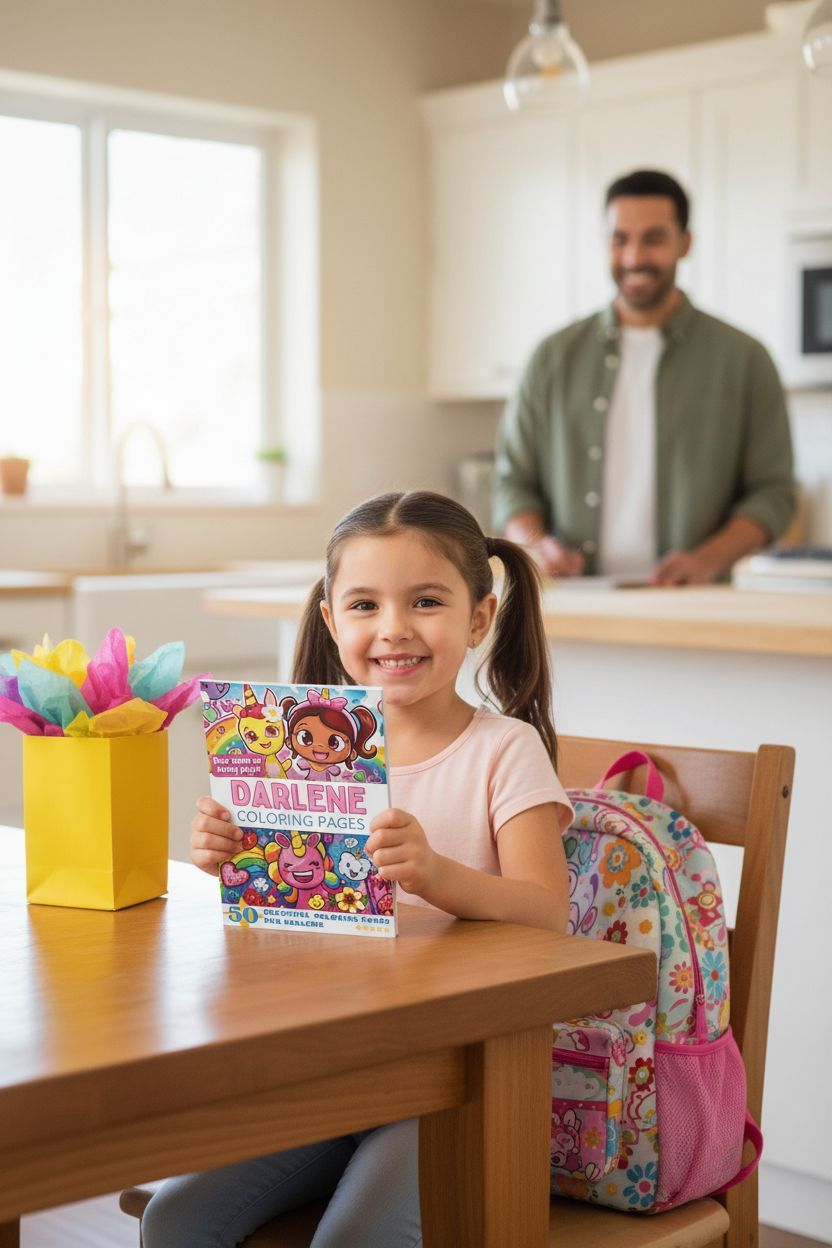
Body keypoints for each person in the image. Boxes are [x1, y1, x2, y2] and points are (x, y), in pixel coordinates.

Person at [141, 489, 571, 1248]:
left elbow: (549, 913)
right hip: (332, 1063)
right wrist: (232, 861)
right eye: (365, 605)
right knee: (173, 1220)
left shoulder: (503, 750)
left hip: (461, 1080)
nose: (394, 629)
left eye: (427, 601)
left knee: (355, 1241)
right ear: (332, 619)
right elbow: (292, 920)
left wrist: (436, 874)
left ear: (479, 617)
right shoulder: (299, 751)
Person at [493, 169, 796, 585]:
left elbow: (774, 493)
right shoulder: (550, 358)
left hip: (696, 604)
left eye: (653, 239)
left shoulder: (745, 360)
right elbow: (513, 483)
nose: (634, 258)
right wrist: (535, 544)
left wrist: (707, 559)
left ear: (684, 243)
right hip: (573, 601)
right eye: (620, 239)